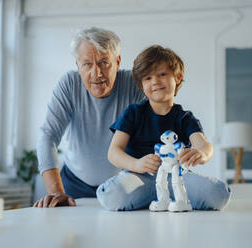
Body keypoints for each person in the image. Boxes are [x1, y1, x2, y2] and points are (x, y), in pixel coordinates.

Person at [96, 45, 231, 211]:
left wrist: (202, 154)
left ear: (178, 77)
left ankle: (168, 196)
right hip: (139, 176)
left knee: (218, 195)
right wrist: (137, 164)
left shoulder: (185, 118)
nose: (155, 82)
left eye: (162, 74)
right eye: (147, 78)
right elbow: (114, 152)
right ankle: (156, 196)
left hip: (177, 177)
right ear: (140, 85)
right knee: (111, 195)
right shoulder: (133, 113)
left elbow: (204, 145)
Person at [33, 27, 144, 208]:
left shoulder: (135, 85)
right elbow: (48, 135)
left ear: (117, 62)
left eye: (104, 63)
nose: (96, 73)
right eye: (87, 64)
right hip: (74, 184)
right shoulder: (69, 84)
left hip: (122, 184)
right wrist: (56, 192)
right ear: (78, 66)